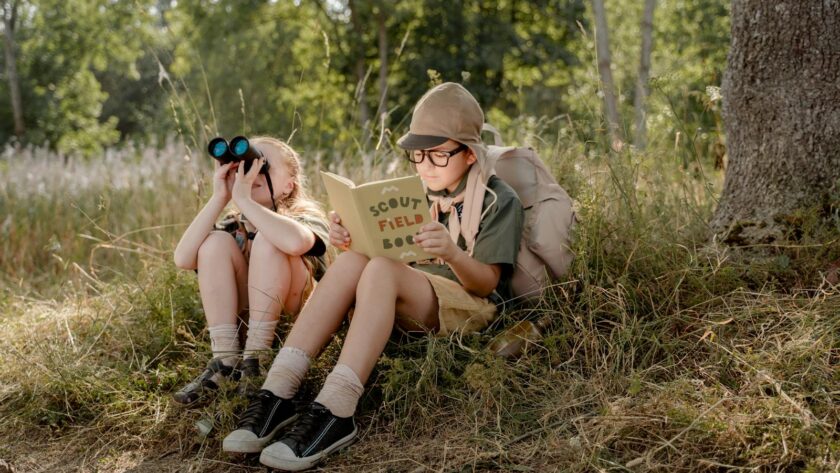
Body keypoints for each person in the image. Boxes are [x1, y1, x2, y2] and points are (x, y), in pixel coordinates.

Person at [222, 83, 524, 471]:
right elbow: (389, 257)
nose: (425, 165)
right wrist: (350, 238)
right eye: (417, 154)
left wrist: (450, 251)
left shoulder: (498, 198)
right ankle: (278, 390)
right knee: (353, 262)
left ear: (469, 153)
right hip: (408, 295)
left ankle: (337, 408)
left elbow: (486, 286)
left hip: (465, 306)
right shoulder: (415, 192)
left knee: (380, 268)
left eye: (438, 154)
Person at [171, 136, 330, 405]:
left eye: (262, 165)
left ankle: (258, 358)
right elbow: (184, 258)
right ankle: (226, 360)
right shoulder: (234, 225)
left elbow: (294, 242)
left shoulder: (303, 216)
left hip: (296, 321)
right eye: (242, 166)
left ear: (289, 185)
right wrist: (221, 197)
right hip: (246, 324)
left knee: (270, 239)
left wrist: (245, 201)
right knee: (214, 243)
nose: (250, 172)